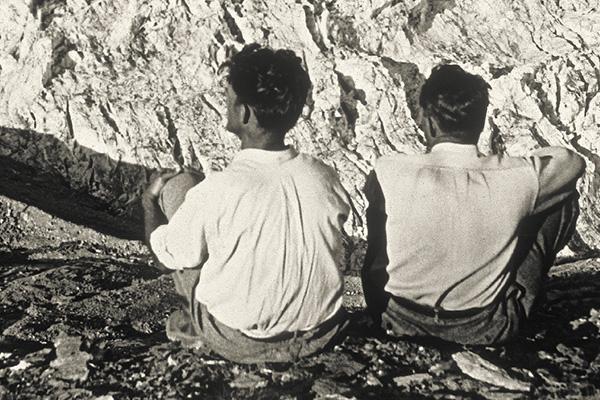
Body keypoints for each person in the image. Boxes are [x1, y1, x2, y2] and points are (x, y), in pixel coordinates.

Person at [142, 44, 351, 363]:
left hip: (242, 342)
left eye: (228, 97)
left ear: (244, 112)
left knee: (180, 188)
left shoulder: (221, 187)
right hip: (319, 333)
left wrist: (149, 202)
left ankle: (192, 325)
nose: (225, 104)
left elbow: (164, 259)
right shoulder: (324, 176)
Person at [362, 64, 586, 345]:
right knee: (561, 198)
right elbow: (572, 162)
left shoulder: (388, 171)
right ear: (481, 123)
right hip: (485, 328)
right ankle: (509, 292)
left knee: (382, 213)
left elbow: (375, 253)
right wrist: (521, 167)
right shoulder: (517, 176)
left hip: (399, 321)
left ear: (428, 122)